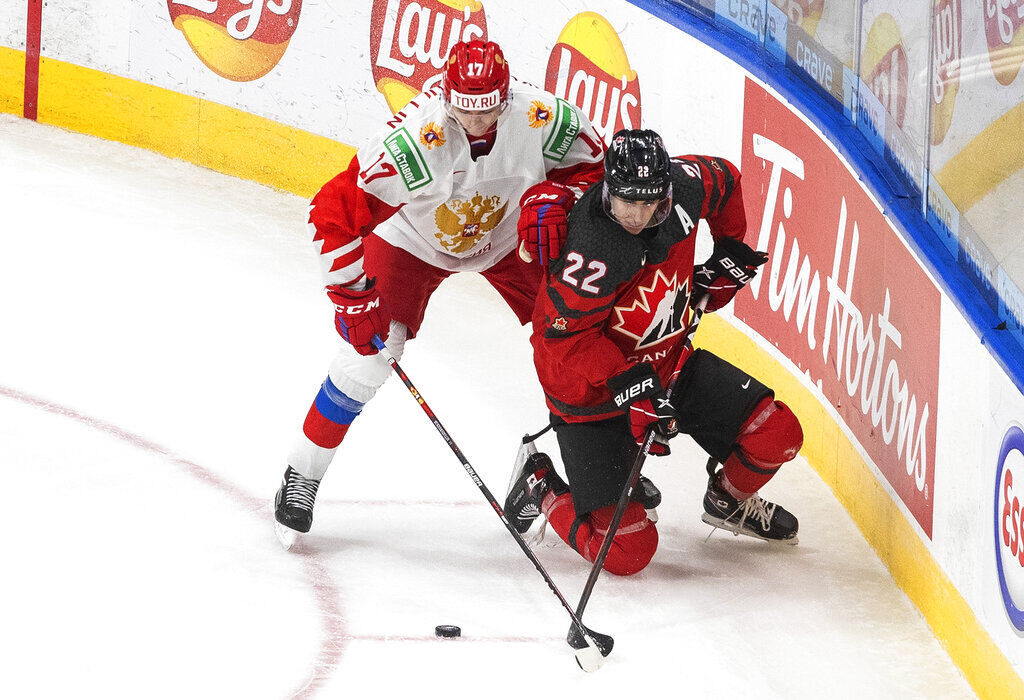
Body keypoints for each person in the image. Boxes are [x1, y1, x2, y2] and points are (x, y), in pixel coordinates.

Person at [273, 39, 606, 542]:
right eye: (466, 112)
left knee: (574, 335)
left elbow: (598, 171)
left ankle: (574, 476)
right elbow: (329, 213)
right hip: (414, 240)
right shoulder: (415, 140)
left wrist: (560, 195)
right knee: (369, 356)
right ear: (446, 97)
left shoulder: (542, 117)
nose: (478, 126)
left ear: (506, 93)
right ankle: (303, 472)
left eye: (490, 110)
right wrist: (350, 296)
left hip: (508, 238)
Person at [505, 129, 804, 576]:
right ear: (607, 189)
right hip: (588, 393)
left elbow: (726, 180)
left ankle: (727, 502)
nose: (638, 215)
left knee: (777, 433)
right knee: (628, 552)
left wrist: (729, 251)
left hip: (666, 364)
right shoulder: (589, 249)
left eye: (650, 203)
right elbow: (561, 337)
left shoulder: (684, 185)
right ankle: (540, 485)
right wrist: (633, 388)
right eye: (627, 202)